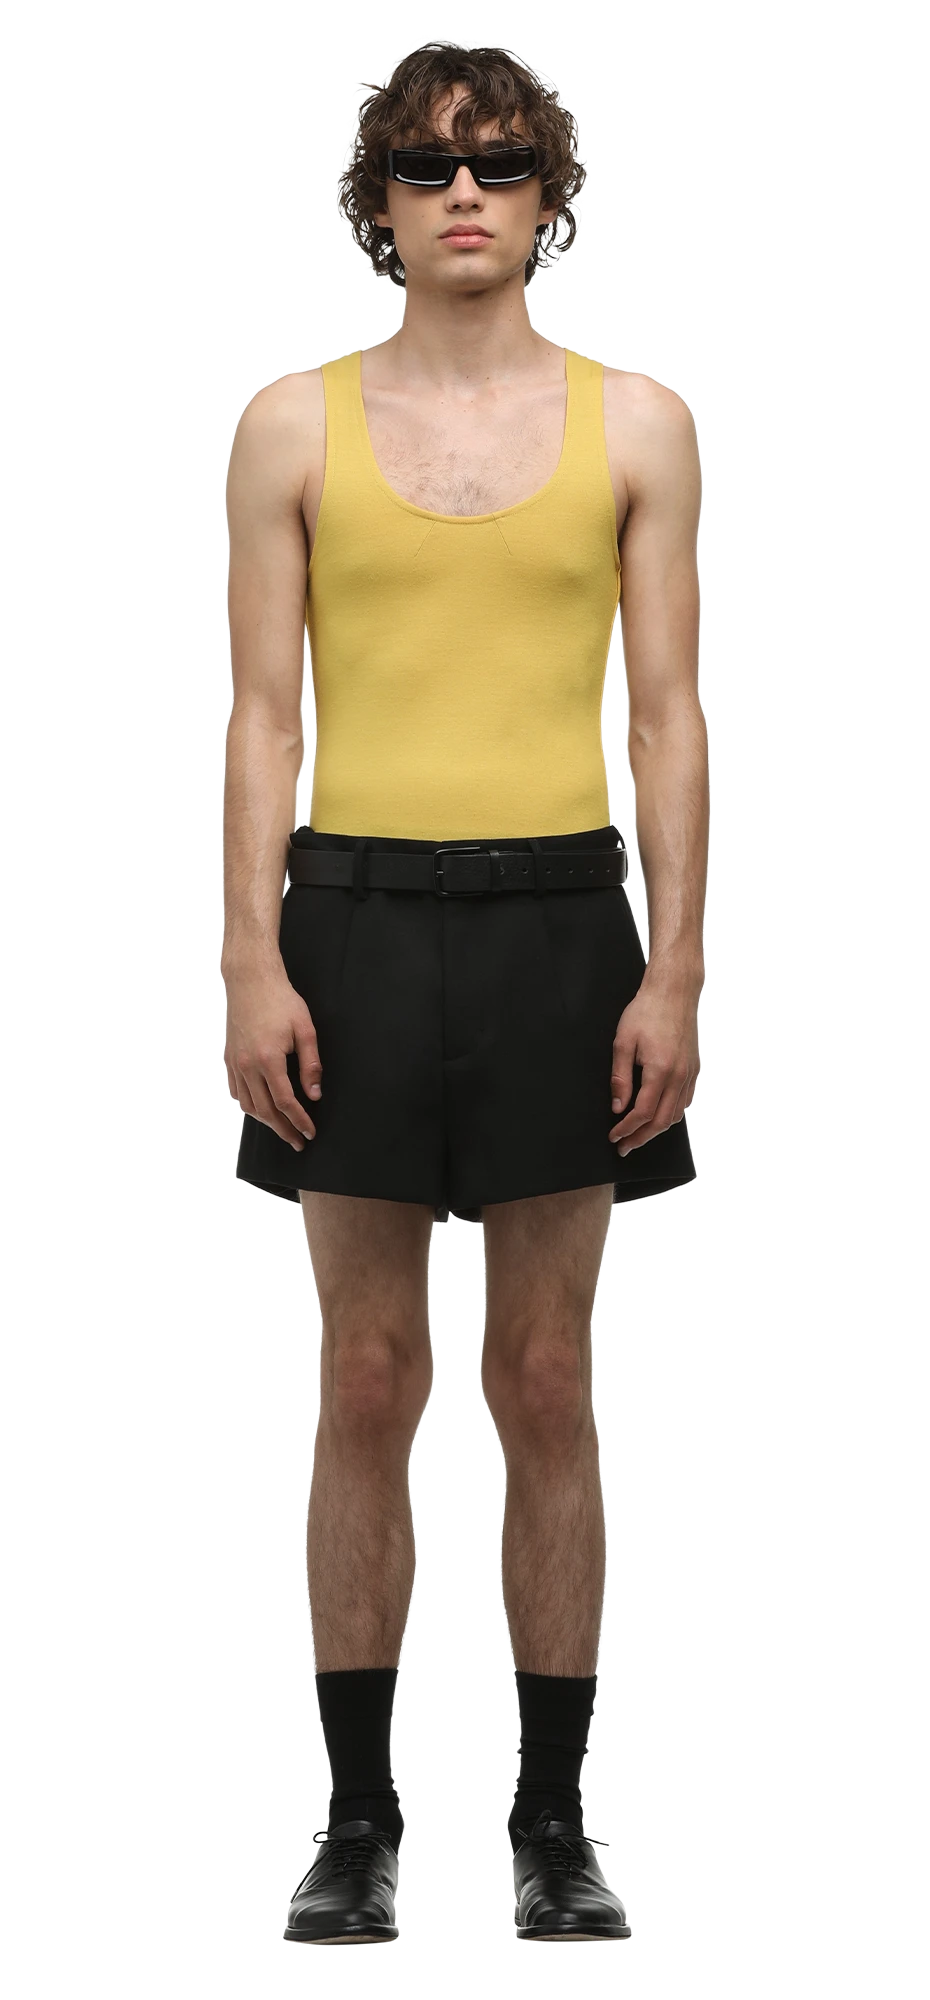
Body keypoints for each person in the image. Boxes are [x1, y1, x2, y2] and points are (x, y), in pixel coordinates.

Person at [222, 39, 708, 1948]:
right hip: (348, 914)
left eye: (500, 164)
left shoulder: (638, 424)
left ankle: (553, 1829)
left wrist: (675, 964)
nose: (465, 195)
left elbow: (664, 717)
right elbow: (262, 715)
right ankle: (353, 1827)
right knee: (364, 1374)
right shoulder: (288, 426)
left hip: (555, 919)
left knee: (543, 1376)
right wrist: (248, 952)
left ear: (546, 194)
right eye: (428, 169)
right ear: (379, 203)